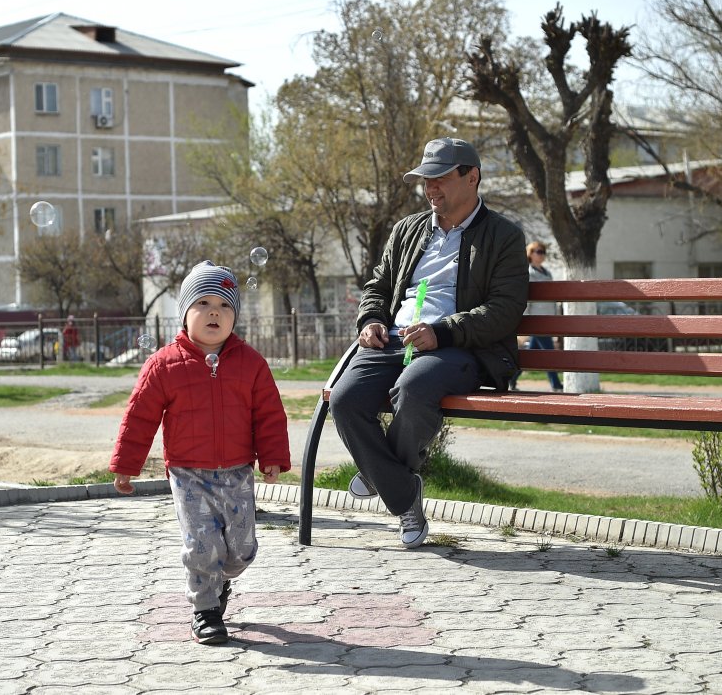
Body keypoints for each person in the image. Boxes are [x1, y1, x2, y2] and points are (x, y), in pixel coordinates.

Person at [329, 137, 529, 549]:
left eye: (439, 178)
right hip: (393, 341)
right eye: (425, 180)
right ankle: (402, 487)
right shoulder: (409, 229)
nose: (430, 188)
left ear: (471, 177)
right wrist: (370, 320)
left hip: (459, 349)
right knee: (343, 398)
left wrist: (444, 331)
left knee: (414, 387)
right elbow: (378, 287)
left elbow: (504, 310)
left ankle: (384, 480)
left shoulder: (504, 236)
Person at [109, 261, 290, 645]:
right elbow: (139, 418)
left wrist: (271, 456)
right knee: (202, 542)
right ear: (184, 312)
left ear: (235, 316)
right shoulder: (163, 365)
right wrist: (126, 466)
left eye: (224, 306)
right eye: (203, 303)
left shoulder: (251, 363)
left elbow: (270, 414)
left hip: (237, 472)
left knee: (241, 549)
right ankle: (205, 609)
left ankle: (221, 581)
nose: (214, 312)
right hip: (188, 474)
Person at [510, 241, 563, 392]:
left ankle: (511, 380)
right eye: (538, 251)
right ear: (530, 254)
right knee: (548, 352)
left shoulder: (548, 273)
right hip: (536, 319)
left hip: (547, 318)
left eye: (543, 252)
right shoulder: (529, 273)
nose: (541, 255)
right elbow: (526, 298)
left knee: (530, 355)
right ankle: (556, 384)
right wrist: (526, 320)